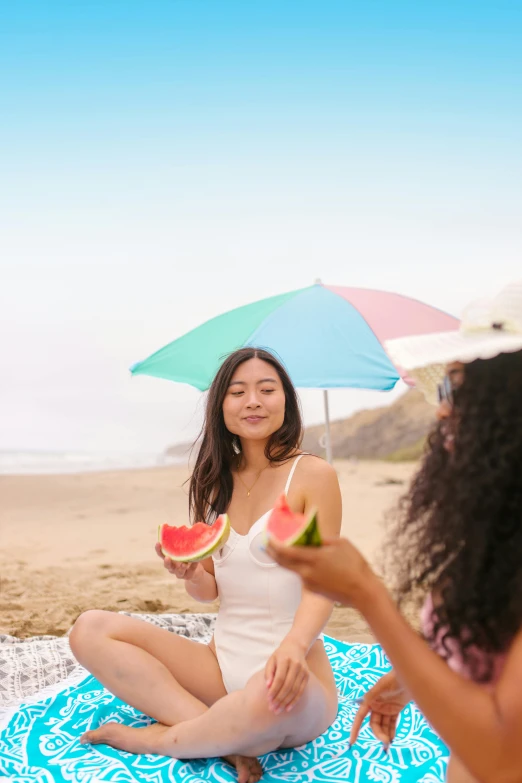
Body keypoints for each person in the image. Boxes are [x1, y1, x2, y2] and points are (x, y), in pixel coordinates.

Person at [268, 281, 522, 783]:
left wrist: (368, 595)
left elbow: (502, 759)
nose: (441, 409)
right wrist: (419, 674)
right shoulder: (502, 522)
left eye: (452, 388)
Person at [70, 347, 341, 783]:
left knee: (262, 705)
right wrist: (193, 573)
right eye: (238, 392)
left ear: (285, 400)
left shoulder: (311, 476)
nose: (253, 400)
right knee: (89, 629)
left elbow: (324, 582)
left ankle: (156, 739)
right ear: (221, 406)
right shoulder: (217, 480)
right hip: (220, 668)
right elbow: (210, 590)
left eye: (266, 389)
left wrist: (293, 647)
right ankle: (217, 735)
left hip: (294, 676)